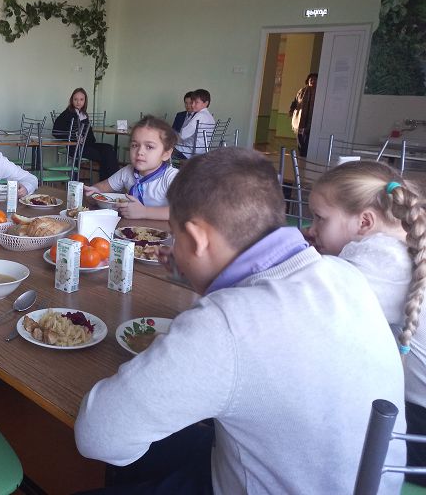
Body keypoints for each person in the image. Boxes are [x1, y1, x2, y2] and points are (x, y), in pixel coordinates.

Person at [74, 147, 405, 495]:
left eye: (175, 235)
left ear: (198, 238)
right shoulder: (345, 273)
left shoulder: (226, 323)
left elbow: (97, 436)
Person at [307, 160, 426, 485]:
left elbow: (307, 310)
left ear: (364, 222)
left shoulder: (381, 261)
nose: (311, 228)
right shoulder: (406, 242)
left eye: (319, 218)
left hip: (418, 431)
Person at [83, 116, 178, 220]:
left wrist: (144, 212)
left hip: (162, 229)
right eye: (134, 145)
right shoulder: (127, 171)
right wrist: (94, 192)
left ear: (166, 154)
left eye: (149, 147)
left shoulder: (172, 177)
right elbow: (102, 187)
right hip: (130, 227)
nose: (140, 152)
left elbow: (185, 211)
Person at [52, 87, 120, 181]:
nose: (78, 102)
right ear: (72, 100)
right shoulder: (67, 114)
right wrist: (73, 137)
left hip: (86, 145)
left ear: (85, 101)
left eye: (81, 99)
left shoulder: (83, 114)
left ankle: (113, 181)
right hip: (74, 147)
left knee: (108, 148)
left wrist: (85, 137)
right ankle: (108, 182)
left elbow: (91, 137)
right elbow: (55, 131)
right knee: (104, 156)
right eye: (75, 99)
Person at [173, 89, 215, 159]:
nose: (192, 105)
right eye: (192, 102)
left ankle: (176, 165)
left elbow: (183, 135)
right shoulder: (210, 117)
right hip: (202, 152)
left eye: (196, 102)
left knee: (164, 148)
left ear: (206, 103)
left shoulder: (200, 115)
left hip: (189, 152)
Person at [288, 73, 317, 157]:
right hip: (300, 119)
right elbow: (295, 102)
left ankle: (304, 155)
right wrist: (291, 110)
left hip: (312, 120)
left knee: (307, 139)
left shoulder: (320, 92)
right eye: (311, 79)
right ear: (308, 81)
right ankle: (302, 155)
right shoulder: (301, 91)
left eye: (315, 80)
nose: (313, 81)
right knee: (300, 138)